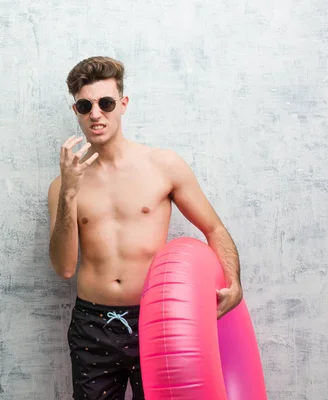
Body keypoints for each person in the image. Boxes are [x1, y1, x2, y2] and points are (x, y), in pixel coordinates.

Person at [46, 56, 244, 400]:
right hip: (91, 324)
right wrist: (69, 193)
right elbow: (64, 268)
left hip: (158, 321)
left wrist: (235, 283)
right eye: (84, 105)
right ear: (76, 110)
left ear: (123, 104)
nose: (96, 114)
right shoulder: (61, 187)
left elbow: (213, 228)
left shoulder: (163, 165)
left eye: (105, 103)